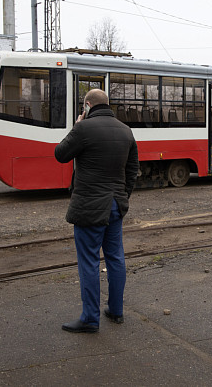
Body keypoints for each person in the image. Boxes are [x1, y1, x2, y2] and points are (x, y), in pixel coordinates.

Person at [55, 89, 139, 333]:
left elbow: (60, 154)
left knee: (89, 261)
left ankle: (90, 318)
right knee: (115, 258)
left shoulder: (83, 129)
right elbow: (132, 170)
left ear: (88, 105)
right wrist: (122, 198)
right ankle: (116, 310)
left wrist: (76, 126)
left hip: (89, 207)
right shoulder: (126, 131)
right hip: (115, 205)